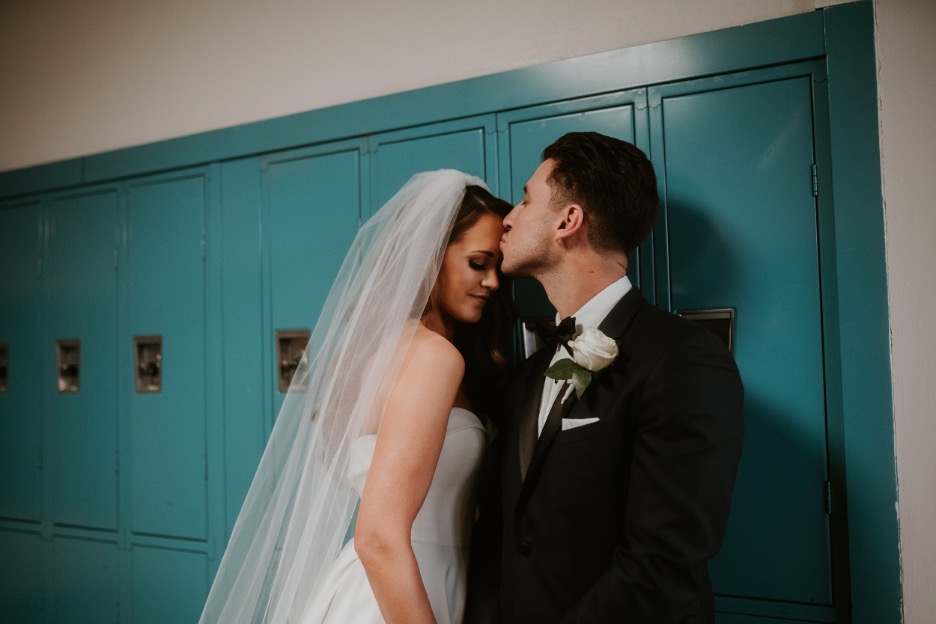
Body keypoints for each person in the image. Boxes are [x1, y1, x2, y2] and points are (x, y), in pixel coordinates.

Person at [200, 170, 514, 624]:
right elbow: (380, 538)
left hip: (386, 582)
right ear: (430, 257)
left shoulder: (380, 352)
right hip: (402, 592)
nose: (493, 283)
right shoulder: (434, 358)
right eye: (478, 263)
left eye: (497, 268)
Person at [467, 132, 745, 623]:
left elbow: (661, 567)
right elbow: (501, 542)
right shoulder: (528, 374)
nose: (508, 218)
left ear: (567, 220)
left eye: (527, 198)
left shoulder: (684, 360)